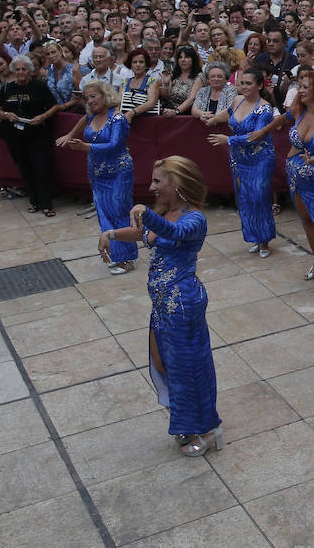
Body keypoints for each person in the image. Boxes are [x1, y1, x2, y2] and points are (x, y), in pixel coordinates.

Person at [100, 156, 222, 456]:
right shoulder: (165, 212)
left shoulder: (194, 219)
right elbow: (146, 234)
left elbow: (175, 234)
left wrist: (145, 213)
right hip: (163, 305)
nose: (151, 187)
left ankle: (208, 430)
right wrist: (111, 233)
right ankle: (185, 420)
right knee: (161, 364)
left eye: (157, 181)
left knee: (188, 368)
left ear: (176, 185)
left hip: (183, 304)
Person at [254, 70, 314, 293]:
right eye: (301, 86)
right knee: (306, 219)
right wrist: (263, 131)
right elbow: (282, 118)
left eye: (305, 87)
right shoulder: (298, 109)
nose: (301, 90)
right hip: (296, 175)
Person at [56, 81, 137, 274]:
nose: (90, 101)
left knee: (119, 212)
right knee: (104, 212)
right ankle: (116, 254)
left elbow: (115, 145)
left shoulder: (117, 118)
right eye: (87, 97)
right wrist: (69, 135)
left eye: (93, 96)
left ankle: (127, 258)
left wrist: (85, 147)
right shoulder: (91, 115)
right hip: (97, 173)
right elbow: (83, 121)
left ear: (105, 95)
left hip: (119, 172)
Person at [205, 67, 276, 258]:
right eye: (242, 83)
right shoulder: (237, 101)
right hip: (238, 158)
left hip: (260, 158)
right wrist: (212, 119)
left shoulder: (265, 108)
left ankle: (265, 240)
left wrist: (227, 140)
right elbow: (227, 114)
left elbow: (257, 136)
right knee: (244, 198)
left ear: (260, 85)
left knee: (259, 197)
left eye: (249, 83)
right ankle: (254, 236)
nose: (244, 87)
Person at [0, 56, 61, 217]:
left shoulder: (39, 86)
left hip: (38, 134)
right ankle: (34, 202)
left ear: (30, 71)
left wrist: (43, 117)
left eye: (24, 69)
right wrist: (6, 115)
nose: (21, 72)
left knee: (41, 168)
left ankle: (46, 204)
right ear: (13, 71)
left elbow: (54, 106)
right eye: (17, 69)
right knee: (24, 169)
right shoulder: (7, 88)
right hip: (15, 135)